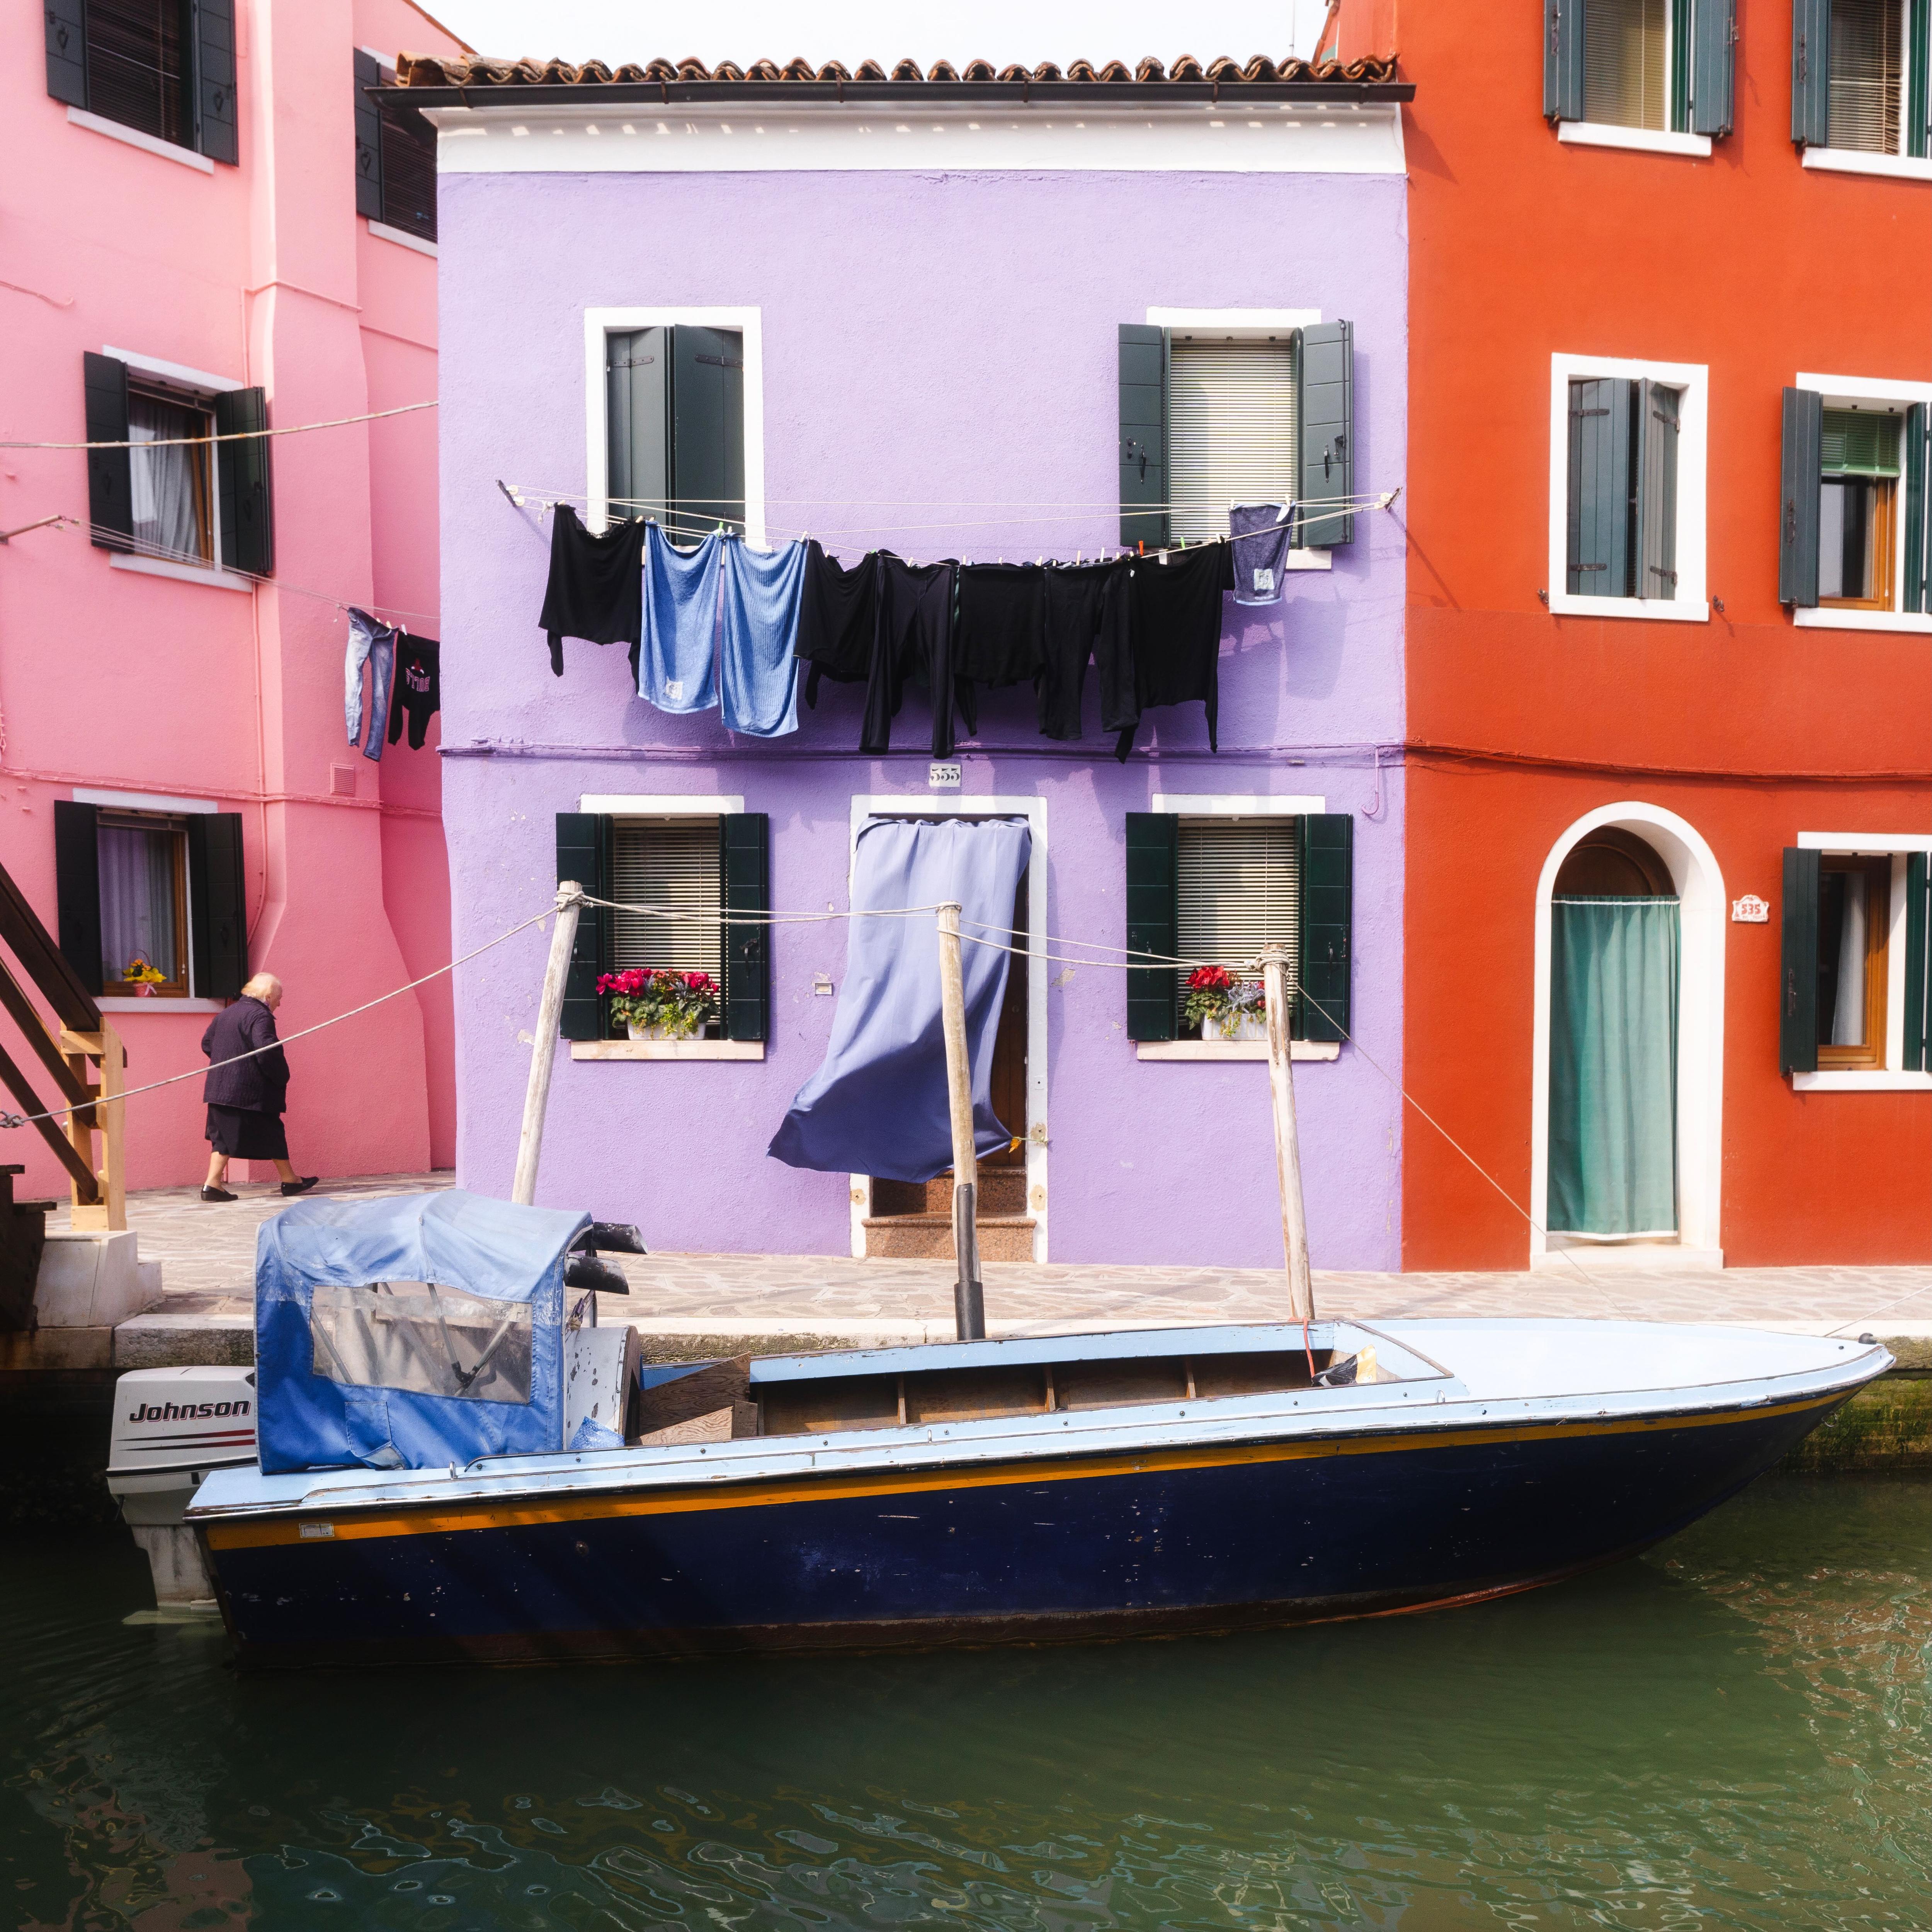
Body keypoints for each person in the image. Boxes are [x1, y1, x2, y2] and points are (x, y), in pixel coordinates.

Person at [199, 973, 317, 1203]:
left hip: (219, 1087)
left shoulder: (226, 1014)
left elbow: (207, 1044)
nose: (280, 1004)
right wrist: (282, 1076)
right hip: (249, 1092)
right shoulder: (260, 1016)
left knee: (222, 1136)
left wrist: (229, 1066)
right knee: (272, 1132)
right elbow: (267, 1050)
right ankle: (290, 1181)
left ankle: (212, 1185)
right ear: (269, 995)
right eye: (279, 998)